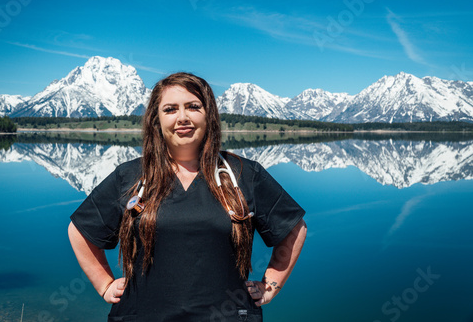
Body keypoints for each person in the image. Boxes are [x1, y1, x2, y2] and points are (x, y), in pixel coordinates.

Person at [68, 72, 307, 322]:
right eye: (170, 109)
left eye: (193, 107)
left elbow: (294, 228)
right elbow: (80, 231)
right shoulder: (129, 177)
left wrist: (271, 286)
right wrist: (104, 284)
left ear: (209, 115)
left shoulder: (244, 174)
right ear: (156, 120)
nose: (182, 118)